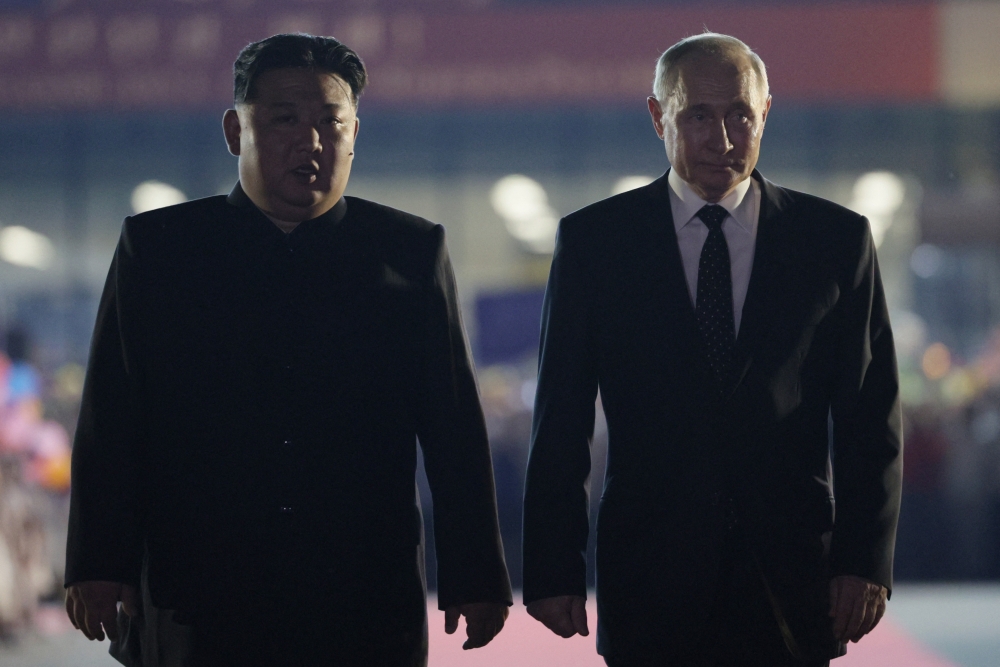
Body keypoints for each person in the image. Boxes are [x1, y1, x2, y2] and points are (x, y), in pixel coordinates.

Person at [64, 34, 511, 667]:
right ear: (233, 128)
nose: (311, 142)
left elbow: (453, 426)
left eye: (331, 122)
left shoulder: (407, 253)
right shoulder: (162, 250)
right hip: (196, 588)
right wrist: (96, 562)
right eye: (283, 119)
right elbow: (112, 415)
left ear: (356, 131)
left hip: (361, 593)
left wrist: (476, 574)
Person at [522, 33, 902, 667]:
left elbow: (870, 417)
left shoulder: (835, 241)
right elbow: (560, 416)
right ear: (657, 116)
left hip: (793, 576)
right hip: (649, 575)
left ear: (767, 113)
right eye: (697, 115)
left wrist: (864, 562)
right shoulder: (595, 243)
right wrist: (554, 567)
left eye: (740, 116)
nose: (721, 140)